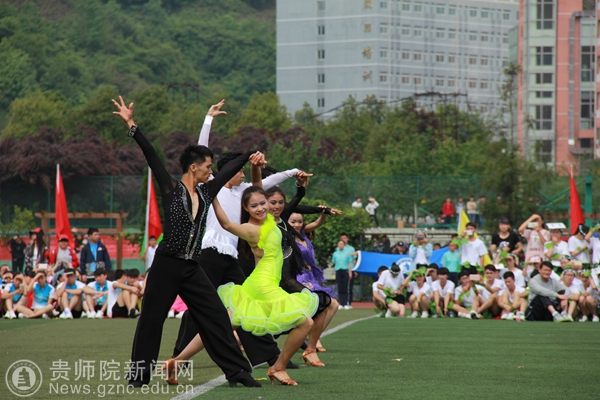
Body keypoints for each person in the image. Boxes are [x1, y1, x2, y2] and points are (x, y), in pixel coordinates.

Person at [112, 95, 257, 388]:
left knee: (216, 317)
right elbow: (151, 155)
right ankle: (139, 376)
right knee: (151, 320)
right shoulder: (170, 189)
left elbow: (229, 169)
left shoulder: (206, 192)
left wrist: (251, 154)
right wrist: (131, 125)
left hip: (192, 267)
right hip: (166, 264)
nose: (211, 171)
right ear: (193, 167)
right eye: (207, 167)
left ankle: (238, 373)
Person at [173, 186, 318, 386]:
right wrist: (212, 197)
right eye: (254, 206)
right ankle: (278, 367)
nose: (260, 208)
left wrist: (258, 170)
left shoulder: (268, 220)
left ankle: (177, 361)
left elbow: (257, 185)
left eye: (263, 203)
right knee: (306, 323)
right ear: (246, 208)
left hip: (258, 284)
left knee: (221, 326)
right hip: (263, 286)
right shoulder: (251, 229)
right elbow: (226, 224)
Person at [332, 240, 353, 309]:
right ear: (338, 245)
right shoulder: (335, 253)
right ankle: (341, 303)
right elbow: (334, 262)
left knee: (345, 287)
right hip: (338, 271)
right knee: (340, 287)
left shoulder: (347, 253)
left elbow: (349, 263)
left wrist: (350, 273)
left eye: (342, 244)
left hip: (345, 270)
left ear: (344, 245)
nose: (340, 245)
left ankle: (345, 303)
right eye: (339, 244)